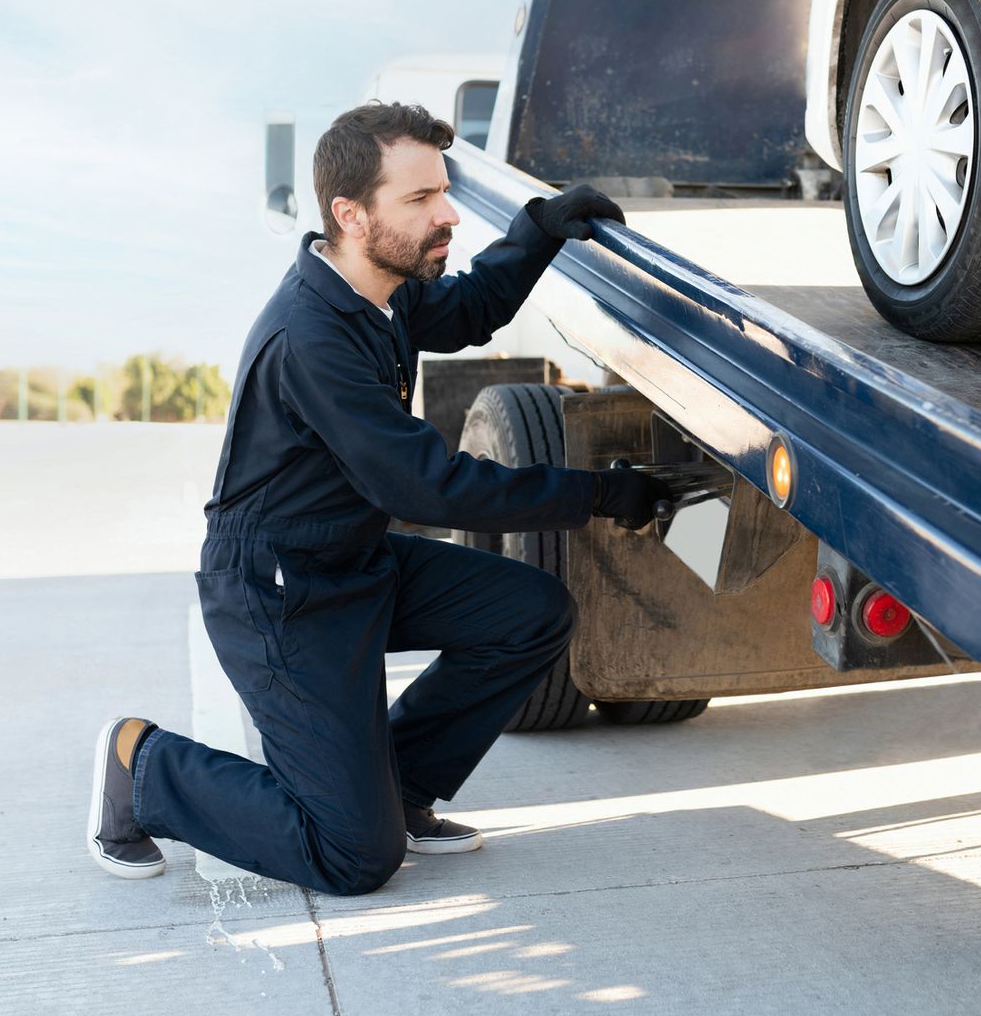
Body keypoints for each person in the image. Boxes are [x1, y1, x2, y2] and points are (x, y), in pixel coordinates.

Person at [85, 102, 669, 895]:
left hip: (353, 559)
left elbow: (468, 310)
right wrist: (597, 492)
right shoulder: (312, 336)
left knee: (530, 612)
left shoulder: (382, 286)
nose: (448, 212)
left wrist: (540, 228)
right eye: (421, 198)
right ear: (350, 213)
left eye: (442, 191)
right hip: (279, 595)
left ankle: (397, 785)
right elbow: (423, 484)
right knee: (353, 855)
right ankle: (142, 765)